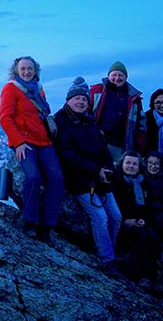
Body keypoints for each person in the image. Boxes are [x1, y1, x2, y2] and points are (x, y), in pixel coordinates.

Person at [53, 76, 121, 269]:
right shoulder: (62, 121)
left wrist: (108, 168)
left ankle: (111, 251)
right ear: (68, 100)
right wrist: (96, 170)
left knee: (116, 216)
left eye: (84, 99)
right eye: (77, 98)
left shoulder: (89, 120)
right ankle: (107, 259)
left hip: (100, 178)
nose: (81, 101)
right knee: (100, 217)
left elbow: (102, 148)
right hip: (81, 180)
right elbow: (69, 155)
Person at [0, 56, 64, 246]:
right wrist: (18, 142)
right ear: (16, 70)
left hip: (43, 140)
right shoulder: (10, 88)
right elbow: (5, 118)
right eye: (23, 68)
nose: (27, 72)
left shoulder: (39, 88)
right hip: (24, 140)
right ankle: (30, 221)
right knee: (33, 177)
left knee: (57, 179)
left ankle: (47, 226)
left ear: (35, 70)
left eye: (30, 68)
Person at [113, 151, 160, 284]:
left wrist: (142, 219)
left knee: (152, 235)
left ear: (139, 167)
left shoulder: (143, 183)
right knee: (141, 235)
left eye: (134, 164)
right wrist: (127, 221)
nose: (131, 166)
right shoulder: (116, 181)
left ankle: (150, 275)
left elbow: (148, 207)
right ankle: (141, 275)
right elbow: (113, 207)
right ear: (122, 164)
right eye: (128, 163)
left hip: (139, 221)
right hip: (121, 222)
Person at [89, 61, 146, 160]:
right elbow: (86, 113)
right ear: (108, 76)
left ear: (126, 77)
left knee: (117, 172)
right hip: (97, 142)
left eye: (121, 75)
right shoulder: (97, 91)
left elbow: (141, 125)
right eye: (114, 75)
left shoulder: (134, 98)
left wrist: (138, 148)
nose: (117, 78)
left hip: (121, 146)